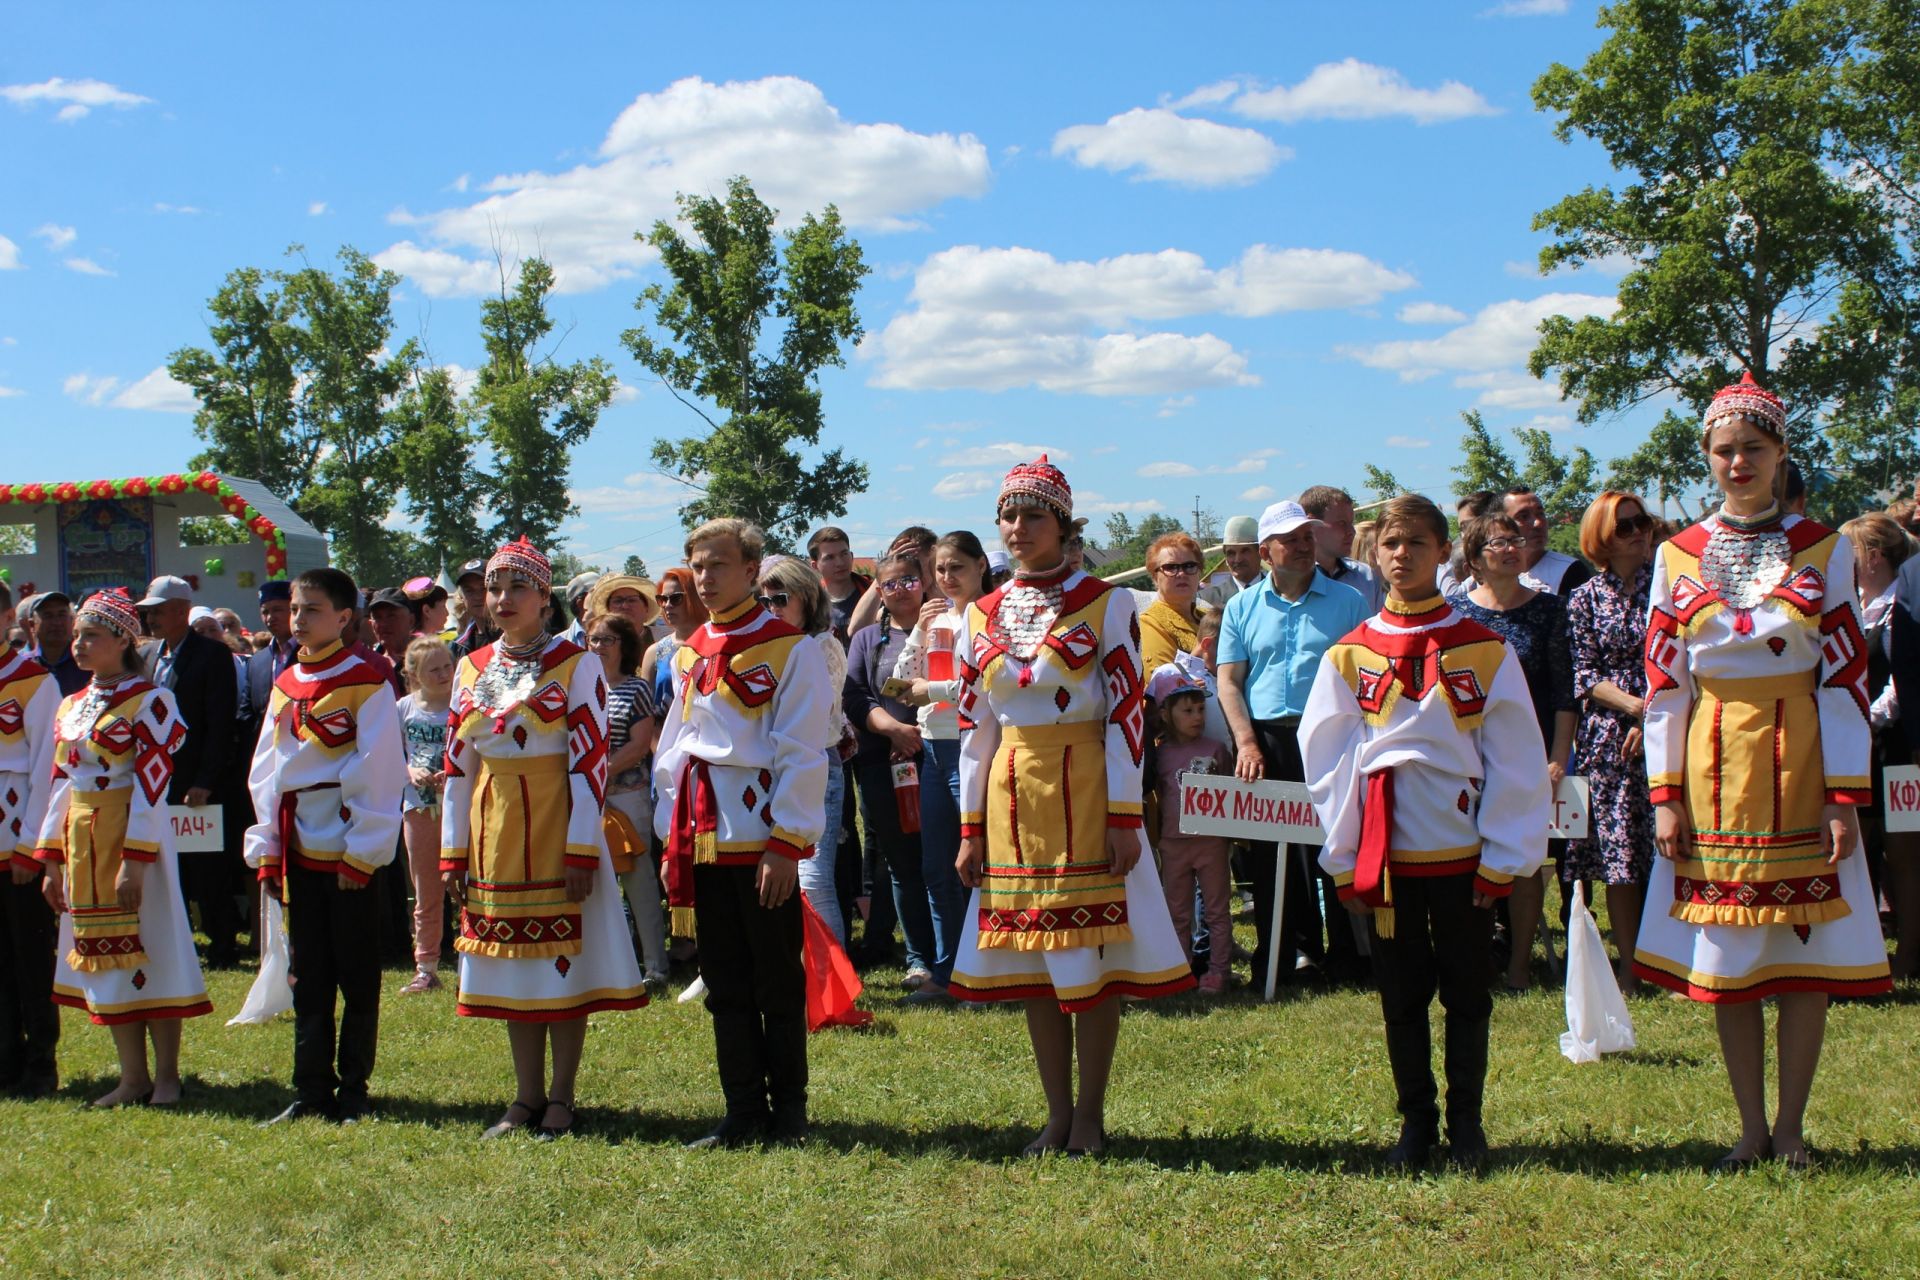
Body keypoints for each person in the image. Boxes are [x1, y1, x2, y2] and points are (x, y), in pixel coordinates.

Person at [1637, 372, 1890, 1171]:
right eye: (1724, 450)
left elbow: (1846, 679)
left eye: (1753, 447)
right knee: (1730, 955)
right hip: (1711, 761)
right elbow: (1664, 685)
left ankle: (1791, 1130)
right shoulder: (1675, 554)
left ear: (1780, 453)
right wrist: (1665, 794)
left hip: (1803, 759)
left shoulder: (1828, 548)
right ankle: (1749, 1127)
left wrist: (1846, 797)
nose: (1738, 462)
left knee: (1801, 958)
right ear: (1707, 458)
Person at [950, 456, 1196, 1156]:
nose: (1018, 527)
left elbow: (1124, 716)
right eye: (1008, 515)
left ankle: (1090, 1114)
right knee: (1034, 958)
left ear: (1062, 523)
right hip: (1010, 795)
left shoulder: (1109, 603)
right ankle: (1055, 1112)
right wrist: (970, 828)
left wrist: (1125, 814)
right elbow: (976, 728)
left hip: (1086, 786)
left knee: (1090, 953)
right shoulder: (980, 615)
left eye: (1033, 515)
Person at [1301, 495, 1551, 1170]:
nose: (1402, 555)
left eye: (1416, 542)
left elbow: (1518, 759)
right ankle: (1416, 1123)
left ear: (1445, 552)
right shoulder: (1348, 656)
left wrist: (1504, 855)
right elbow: (1325, 760)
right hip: (1388, 859)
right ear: (1372, 554)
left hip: (1464, 853)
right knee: (1400, 996)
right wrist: (1346, 853)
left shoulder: (1484, 649)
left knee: (1468, 992)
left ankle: (1467, 1124)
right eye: (1390, 544)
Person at [441, 538, 647, 1140]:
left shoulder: (575, 662)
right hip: (494, 826)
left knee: (564, 963)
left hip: (558, 823)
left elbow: (589, 763)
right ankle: (525, 1095)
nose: (503, 599)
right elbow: (458, 768)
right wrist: (454, 849)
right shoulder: (471, 667)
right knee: (511, 965)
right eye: (495, 588)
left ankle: (561, 1095)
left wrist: (583, 845)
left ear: (543, 597)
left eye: (517, 588)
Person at [653, 519, 831, 1149]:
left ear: (752, 570)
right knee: (724, 979)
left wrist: (787, 841)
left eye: (719, 565)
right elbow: (675, 746)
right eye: (697, 566)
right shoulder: (687, 650)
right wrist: (667, 824)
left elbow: (804, 751)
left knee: (775, 978)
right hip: (701, 835)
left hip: (759, 837)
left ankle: (790, 1114)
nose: (705, 578)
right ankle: (742, 1112)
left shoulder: (791, 649)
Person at [36, 589, 212, 1106]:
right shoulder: (71, 706)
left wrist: (135, 863)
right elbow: (61, 785)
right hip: (84, 842)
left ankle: (168, 1076)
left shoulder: (151, 701)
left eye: (90, 635)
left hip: (136, 842)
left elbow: (151, 788)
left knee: (151, 948)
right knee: (105, 961)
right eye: (76, 636)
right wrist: (50, 860)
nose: (79, 644)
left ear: (122, 640)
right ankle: (132, 1076)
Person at [244, 567, 404, 1124]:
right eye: (296, 608)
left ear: (343, 617)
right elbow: (266, 769)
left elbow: (381, 769)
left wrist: (363, 850)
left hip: (347, 837)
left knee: (357, 971)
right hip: (296, 839)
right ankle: (310, 1089)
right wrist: (266, 843)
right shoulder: (286, 681)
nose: (300, 618)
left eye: (312, 609)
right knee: (308, 973)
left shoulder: (369, 678)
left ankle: (355, 1090)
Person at [1217, 500, 1370, 987]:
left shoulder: (1348, 602)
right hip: (1267, 741)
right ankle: (1291, 953)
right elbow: (1229, 681)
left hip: (1333, 737)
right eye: (1291, 540)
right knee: (1274, 853)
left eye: (1308, 538)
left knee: (1339, 842)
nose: (1303, 547)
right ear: (1266, 551)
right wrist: (1246, 743)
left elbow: (1367, 677)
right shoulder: (1242, 606)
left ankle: (1350, 953)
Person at [1450, 514, 1575, 993]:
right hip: (1472, 753)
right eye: (1498, 542)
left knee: (1524, 859)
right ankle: (1476, 959)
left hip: (1533, 753)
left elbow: (1565, 694)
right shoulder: (1458, 612)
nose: (1511, 549)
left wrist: (1558, 755)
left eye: (1515, 541)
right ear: (1477, 558)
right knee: (1469, 857)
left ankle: (1521, 966)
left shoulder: (1550, 610)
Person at [1561, 491, 1659, 993]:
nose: (1639, 532)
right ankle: (1632, 964)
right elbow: (1583, 673)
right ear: (1602, 535)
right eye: (1625, 526)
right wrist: (1633, 707)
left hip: (1670, 724)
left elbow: (1683, 658)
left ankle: (1682, 959)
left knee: (1672, 847)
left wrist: (1655, 712)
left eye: (1642, 522)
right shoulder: (1583, 599)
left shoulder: (1668, 587)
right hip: (1608, 735)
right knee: (1621, 854)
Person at [893, 530, 992, 1004]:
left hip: (972, 745)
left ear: (980, 568)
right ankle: (947, 969)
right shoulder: (938, 618)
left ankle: (990, 968)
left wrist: (928, 692)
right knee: (937, 867)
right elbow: (902, 675)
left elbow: (985, 685)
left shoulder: (992, 616)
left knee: (981, 864)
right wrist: (919, 627)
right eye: (940, 570)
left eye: (957, 567)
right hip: (932, 746)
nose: (947, 578)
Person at [137, 574, 242, 970]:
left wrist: (205, 781)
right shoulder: (147, 655)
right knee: (166, 865)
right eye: (147, 612)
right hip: (155, 781)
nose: (151, 619)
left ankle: (222, 944)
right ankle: (177, 941)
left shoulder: (212, 656)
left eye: (158, 611)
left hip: (195, 780)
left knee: (206, 866)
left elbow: (220, 724)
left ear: (181, 610)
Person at [842, 550, 938, 981]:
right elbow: (855, 696)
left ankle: (953, 951)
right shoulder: (866, 640)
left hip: (938, 757)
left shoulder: (946, 627)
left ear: (924, 582)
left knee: (942, 859)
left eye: (909, 580)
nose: (901, 589)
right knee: (901, 862)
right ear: (878, 591)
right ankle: (919, 956)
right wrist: (893, 732)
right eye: (891, 583)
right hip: (882, 763)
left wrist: (915, 732)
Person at [756, 556, 852, 949]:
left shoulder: (821, 645)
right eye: (763, 602)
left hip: (817, 765)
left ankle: (835, 986)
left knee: (812, 879)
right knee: (788, 879)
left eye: (780, 599)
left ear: (807, 599)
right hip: (777, 768)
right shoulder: (776, 646)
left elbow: (815, 717)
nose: (771, 609)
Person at [1844, 513, 1918, 977]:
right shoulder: (1854, 606)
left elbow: (1902, 675)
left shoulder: (1900, 605)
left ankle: (1909, 955)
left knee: (1904, 851)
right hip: (1858, 749)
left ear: (1872, 557)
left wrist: (1870, 717)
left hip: (1897, 749)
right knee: (1859, 847)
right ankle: (1863, 954)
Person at [586, 612, 669, 991]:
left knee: (639, 883)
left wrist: (598, 774)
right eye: (593, 639)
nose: (598, 646)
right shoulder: (579, 687)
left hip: (628, 798)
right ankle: (604, 965)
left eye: (606, 640)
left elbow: (638, 746)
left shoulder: (636, 688)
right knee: (594, 886)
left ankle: (655, 967)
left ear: (624, 646)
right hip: (587, 801)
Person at [1145, 663, 1235, 994]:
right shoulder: (1160, 754)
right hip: (1173, 844)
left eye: (1200, 709)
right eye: (1187, 710)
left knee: (1217, 911)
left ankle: (1218, 971)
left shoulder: (1216, 750)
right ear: (1166, 715)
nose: (1197, 716)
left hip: (1211, 843)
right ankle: (1180, 970)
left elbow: (1229, 790)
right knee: (1178, 913)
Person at [0, 626, 60, 1097]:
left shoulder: (34, 680)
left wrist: (30, 846)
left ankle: (41, 1061)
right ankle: (5, 1058)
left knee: (30, 957)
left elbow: (45, 767)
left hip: (16, 842)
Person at [396, 638, 454, 995]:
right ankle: (427, 967)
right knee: (427, 891)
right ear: (414, 674)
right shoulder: (403, 708)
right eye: (434, 669)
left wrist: (454, 772)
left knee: (469, 884)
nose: (444, 673)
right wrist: (410, 772)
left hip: (457, 806)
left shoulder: (462, 704)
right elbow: (388, 754)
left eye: (447, 665)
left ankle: (477, 959)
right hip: (417, 808)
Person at [1299, 485, 1385, 612]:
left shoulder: (1366, 577)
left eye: (1351, 523)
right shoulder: (1292, 579)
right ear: (1312, 524)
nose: (1352, 531)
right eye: (1341, 523)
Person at [1139, 531, 1210, 676]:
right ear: (1154, 576)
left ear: (1199, 572)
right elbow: (1165, 686)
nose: (1182, 574)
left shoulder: (1209, 616)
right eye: (1171, 567)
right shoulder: (1150, 623)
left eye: (1189, 566)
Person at [1500, 486, 1592, 596]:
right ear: (1501, 524)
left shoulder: (1569, 571)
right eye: (1523, 516)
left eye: (1540, 514)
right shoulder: (1491, 573)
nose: (1538, 523)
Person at [807, 526, 873, 647]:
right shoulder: (809, 606)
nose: (840, 563)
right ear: (815, 566)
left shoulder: (876, 593)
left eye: (844, 554)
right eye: (830, 557)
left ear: (852, 556)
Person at [24, 592, 84, 695]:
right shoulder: (22, 666)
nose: (57, 622)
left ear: (72, 621)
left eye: (62, 615)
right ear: (32, 625)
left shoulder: (86, 662)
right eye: (48, 616)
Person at [1199, 515, 1263, 610]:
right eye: (1231, 553)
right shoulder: (1206, 600)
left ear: (1260, 553)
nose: (1237, 559)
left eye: (1245, 551)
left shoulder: (1280, 594)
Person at [451, 559, 496, 658]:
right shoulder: (457, 647)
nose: (477, 596)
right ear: (461, 596)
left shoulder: (513, 638)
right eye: (469, 590)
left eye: (483, 588)